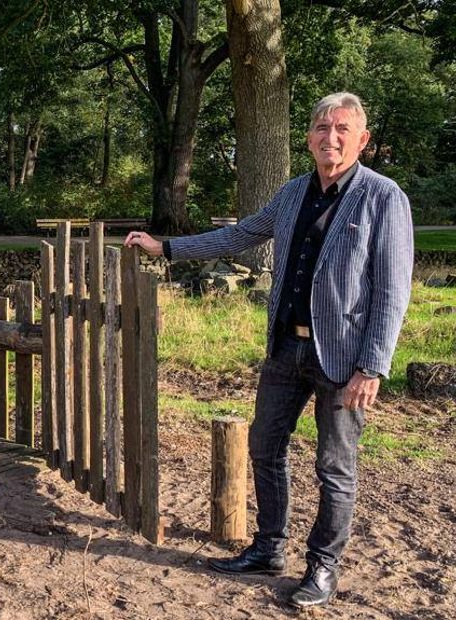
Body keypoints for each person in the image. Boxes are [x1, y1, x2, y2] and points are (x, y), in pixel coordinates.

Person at [123, 92, 414, 608]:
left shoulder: (382, 197)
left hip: (343, 361)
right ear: (309, 137)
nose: (331, 137)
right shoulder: (293, 193)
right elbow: (238, 238)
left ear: (362, 139)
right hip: (285, 350)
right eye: (322, 127)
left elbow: (392, 291)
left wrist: (373, 365)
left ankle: (323, 567)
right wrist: (165, 248)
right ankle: (269, 547)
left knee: (334, 466)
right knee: (264, 447)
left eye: (343, 128)